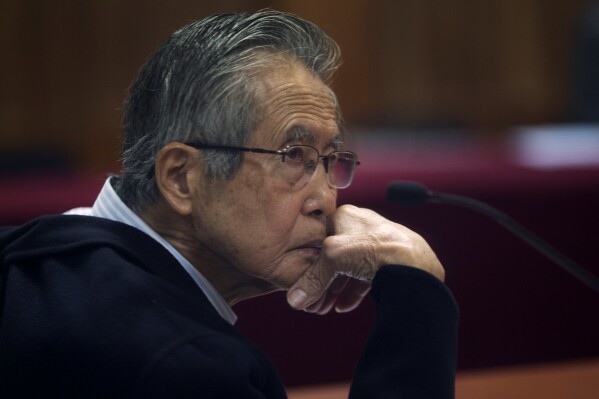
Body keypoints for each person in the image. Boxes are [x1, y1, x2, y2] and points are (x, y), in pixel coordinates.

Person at [0, 10, 458, 398]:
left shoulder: (34, 257)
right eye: (293, 155)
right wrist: (417, 293)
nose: (325, 199)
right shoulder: (186, 369)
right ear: (181, 178)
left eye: (329, 160)